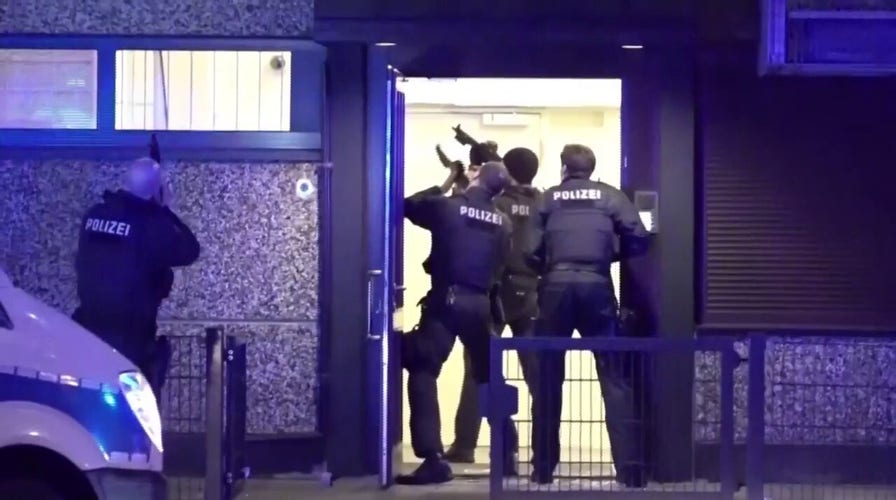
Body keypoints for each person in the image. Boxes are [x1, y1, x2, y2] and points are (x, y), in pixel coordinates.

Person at [529, 144, 650, 487]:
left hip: (554, 288)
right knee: (614, 377)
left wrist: (549, 266)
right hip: (597, 286)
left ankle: (542, 469)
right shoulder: (610, 197)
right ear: (591, 169)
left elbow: (527, 251)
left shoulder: (547, 199)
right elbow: (639, 238)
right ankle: (630, 471)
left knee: (547, 378)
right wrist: (610, 255)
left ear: (563, 168)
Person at [397, 161, 518, 485]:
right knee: (489, 378)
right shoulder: (503, 222)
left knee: (423, 369)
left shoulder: (448, 207)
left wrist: (450, 179)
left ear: (476, 177)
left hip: (447, 302)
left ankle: (433, 459)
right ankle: (507, 454)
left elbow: (408, 205)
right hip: (481, 305)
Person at [445, 147, 542, 464]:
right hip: (531, 293)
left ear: (507, 172)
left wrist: (463, 183)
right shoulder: (543, 204)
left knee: (479, 369)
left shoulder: (495, 204)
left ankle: (466, 445)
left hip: (495, 292)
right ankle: (543, 451)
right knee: (538, 377)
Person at [72, 157, 200, 395]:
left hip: (89, 329)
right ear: (156, 189)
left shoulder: (94, 215)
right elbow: (190, 250)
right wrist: (164, 209)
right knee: (132, 404)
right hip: (131, 338)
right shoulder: (151, 225)